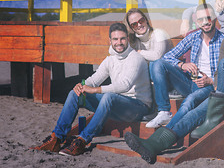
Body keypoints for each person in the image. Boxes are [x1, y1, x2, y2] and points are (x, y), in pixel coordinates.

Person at [123, 0, 224, 164]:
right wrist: (188, 68)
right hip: (223, 92)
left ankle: (212, 116)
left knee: (202, 90)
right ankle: (154, 145)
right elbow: (220, 75)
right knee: (192, 113)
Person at [32, 23, 152, 156]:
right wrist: (81, 85)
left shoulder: (135, 58)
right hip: (116, 104)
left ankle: (82, 140)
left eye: (122, 39)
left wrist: (95, 90)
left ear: (128, 39)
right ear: (110, 41)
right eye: (115, 39)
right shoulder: (110, 60)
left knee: (108, 96)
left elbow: (125, 85)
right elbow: (94, 79)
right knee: (74, 94)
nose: (119, 42)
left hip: (138, 107)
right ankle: (57, 138)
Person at [144, 4, 224, 129]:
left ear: (215, 18)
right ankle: (164, 111)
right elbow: (167, 56)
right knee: (157, 64)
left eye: (208, 18)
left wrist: (211, 80)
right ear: (197, 22)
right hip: (190, 82)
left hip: (210, 86)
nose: (205, 22)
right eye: (201, 19)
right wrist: (182, 65)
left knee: (189, 101)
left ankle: (167, 131)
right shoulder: (193, 36)